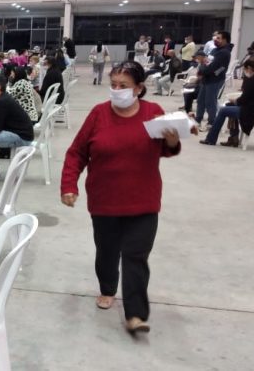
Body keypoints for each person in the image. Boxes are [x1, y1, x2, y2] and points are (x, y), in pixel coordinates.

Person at [61, 61, 182, 334]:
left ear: (138, 88)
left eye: (123, 86)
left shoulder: (153, 112)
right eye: (113, 85)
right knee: (107, 251)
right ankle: (107, 288)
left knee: (136, 256)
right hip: (105, 200)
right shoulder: (98, 114)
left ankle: (136, 314)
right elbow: (77, 152)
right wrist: (69, 185)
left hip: (143, 200)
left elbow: (167, 149)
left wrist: (172, 140)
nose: (117, 90)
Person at [200, 59, 254, 147]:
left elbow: (244, 98)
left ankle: (211, 139)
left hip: (251, 111)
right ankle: (233, 138)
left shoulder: (252, 80)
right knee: (229, 106)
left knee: (223, 110)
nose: (244, 72)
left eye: (245, 69)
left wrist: (235, 100)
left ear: (249, 68)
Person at [195, 31, 233, 129]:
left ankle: (212, 122)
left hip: (215, 80)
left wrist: (203, 70)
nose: (216, 39)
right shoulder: (215, 50)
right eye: (216, 37)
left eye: (218, 38)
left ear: (225, 40)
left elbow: (213, 67)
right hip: (206, 78)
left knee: (210, 102)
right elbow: (205, 62)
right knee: (200, 100)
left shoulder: (224, 53)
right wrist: (201, 70)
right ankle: (198, 120)